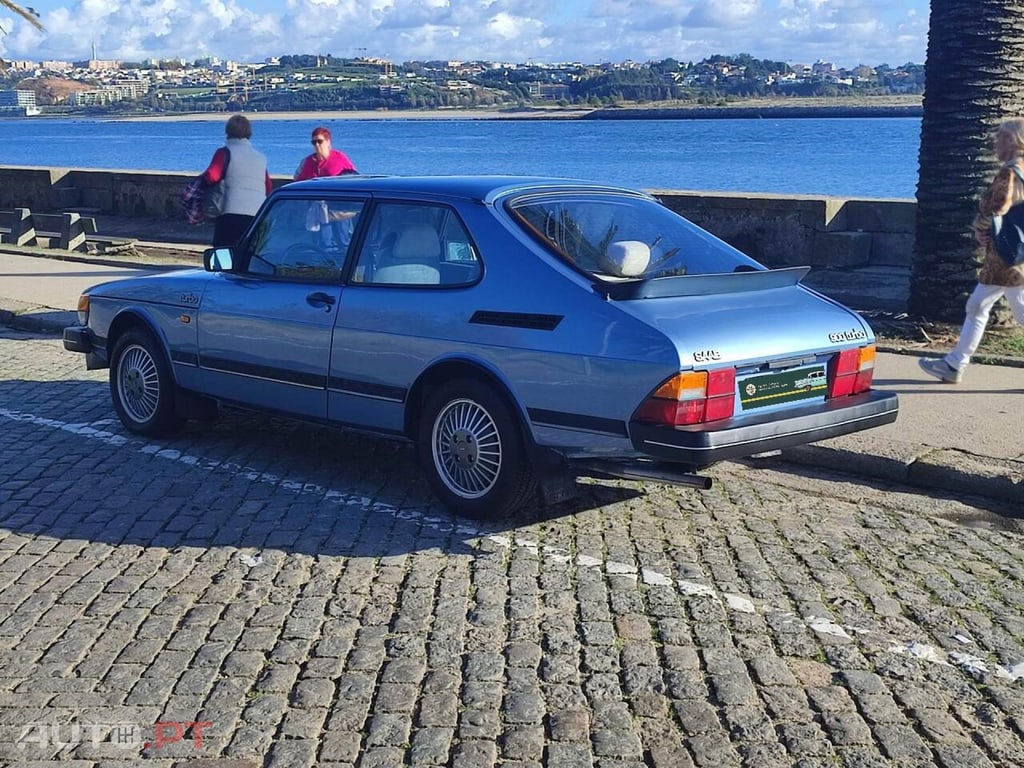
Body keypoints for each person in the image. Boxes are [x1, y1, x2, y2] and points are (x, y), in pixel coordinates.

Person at [919, 118, 1024, 383]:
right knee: (978, 305)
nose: (994, 143)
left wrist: (981, 227)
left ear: (1011, 142)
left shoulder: (1011, 171)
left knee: (1007, 308)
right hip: (1011, 255)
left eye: (999, 138)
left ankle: (954, 364)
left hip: (1007, 258)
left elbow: (999, 205)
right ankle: (954, 364)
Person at [202, 114, 273, 247]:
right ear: (249, 133)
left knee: (224, 253)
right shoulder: (260, 157)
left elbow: (212, 176)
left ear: (228, 132)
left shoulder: (224, 152)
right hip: (256, 214)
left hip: (230, 212)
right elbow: (268, 187)